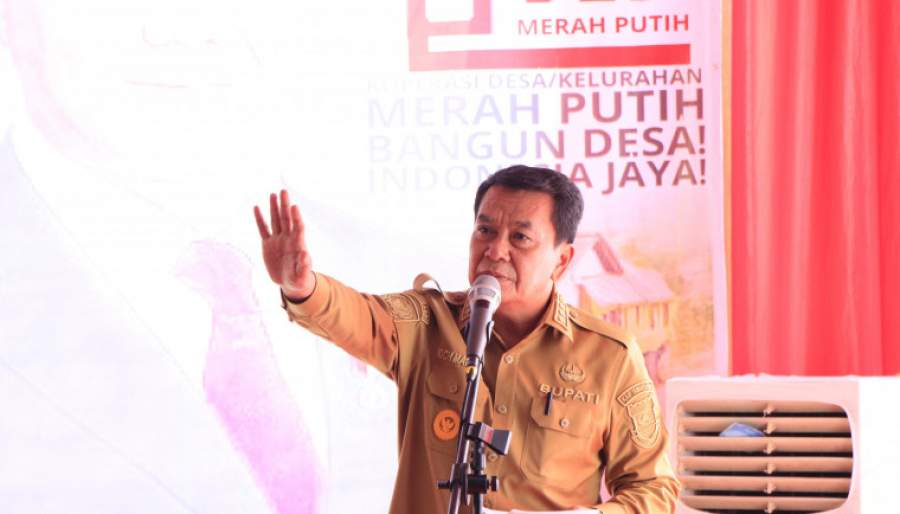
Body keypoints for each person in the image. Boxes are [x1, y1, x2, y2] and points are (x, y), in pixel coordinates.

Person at [253, 165, 681, 514]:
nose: (495, 250)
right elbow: (355, 314)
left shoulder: (610, 356)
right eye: (485, 230)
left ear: (562, 260)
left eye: (520, 237)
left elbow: (654, 489)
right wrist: (302, 286)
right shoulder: (427, 322)